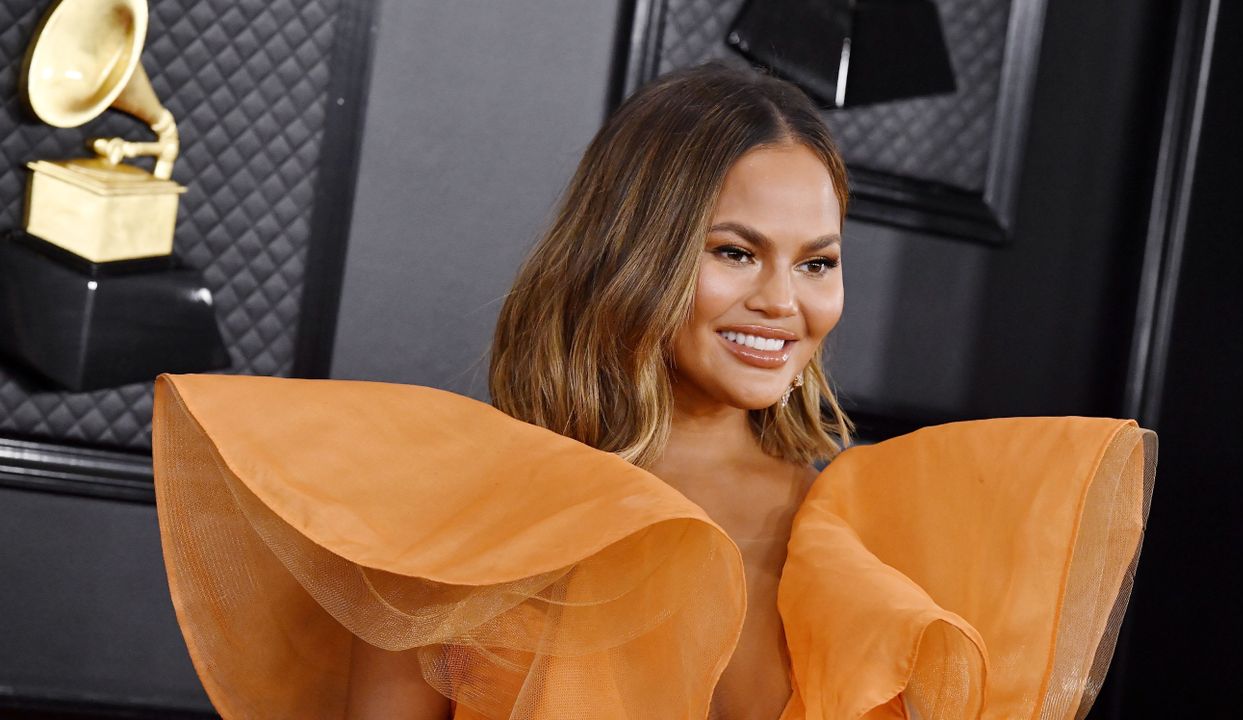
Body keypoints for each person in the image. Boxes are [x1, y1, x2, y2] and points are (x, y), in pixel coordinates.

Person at [151, 63, 1154, 719]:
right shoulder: (474, 517)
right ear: (634, 253)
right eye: (734, 252)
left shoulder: (878, 533)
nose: (782, 303)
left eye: (815, 263)